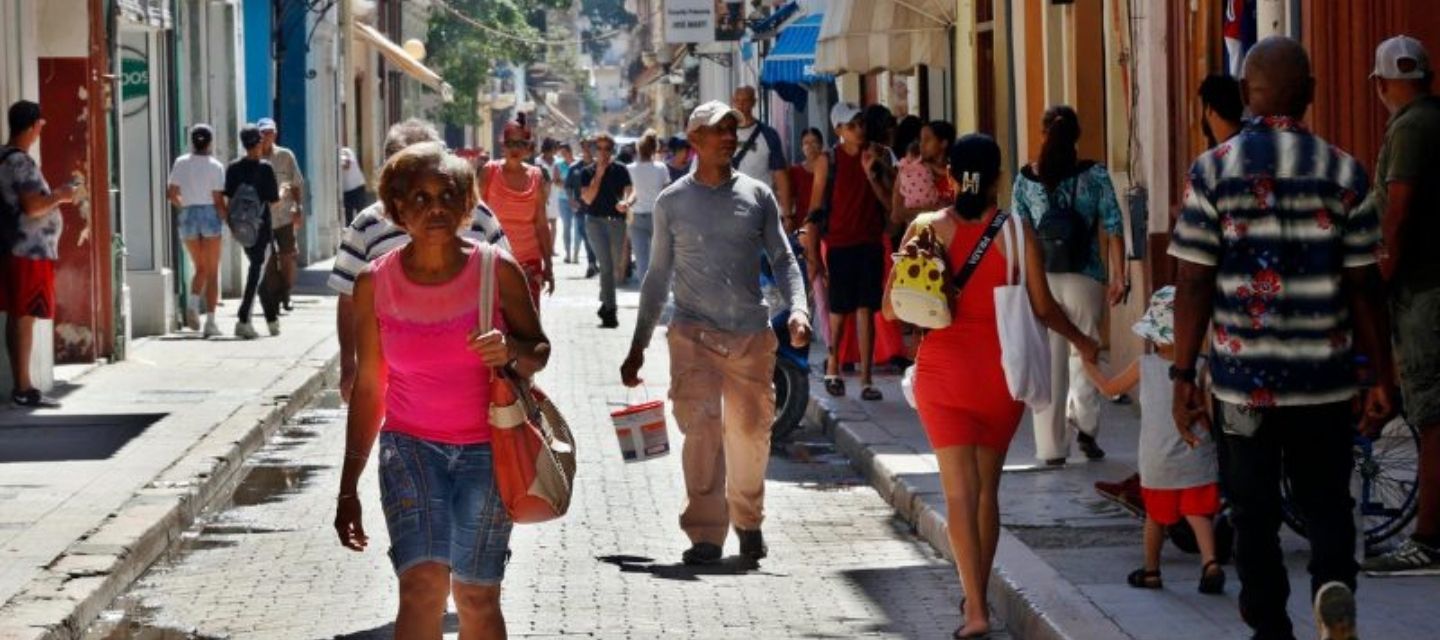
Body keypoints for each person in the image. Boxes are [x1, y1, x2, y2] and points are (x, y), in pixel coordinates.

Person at [1169, 37, 1394, 640]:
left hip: (1245, 388)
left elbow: (1192, 280)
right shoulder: (1344, 170)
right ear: (1312, 96)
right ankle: (1331, 588)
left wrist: (1181, 375)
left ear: (1245, 95)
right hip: (1325, 379)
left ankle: (1271, 626)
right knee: (1327, 504)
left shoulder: (1213, 169)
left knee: (1253, 512)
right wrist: (1381, 378)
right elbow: (1365, 285)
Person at [884, 134, 1098, 639]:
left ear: (950, 177)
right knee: (987, 495)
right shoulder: (1019, 233)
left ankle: (975, 609)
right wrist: (1082, 341)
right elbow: (1045, 310)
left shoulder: (925, 228)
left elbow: (892, 307)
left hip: (943, 374)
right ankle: (977, 593)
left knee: (958, 496)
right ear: (1000, 179)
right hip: (1002, 375)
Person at [335, 141, 550, 640]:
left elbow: (538, 350)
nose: (434, 208)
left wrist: (510, 352)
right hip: (410, 450)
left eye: (447, 196)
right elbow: (370, 388)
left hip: (488, 452)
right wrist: (349, 488)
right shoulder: (375, 283)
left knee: (476, 595)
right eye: (419, 197)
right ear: (396, 209)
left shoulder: (498, 270)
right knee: (422, 585)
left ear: (466, 204)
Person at [620, 101, 810, 566]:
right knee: (701, 430)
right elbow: (657, 274)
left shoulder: (758, 195)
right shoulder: (672, 202)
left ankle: (748, 520)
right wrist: (639, 345)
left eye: (732, 129)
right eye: (718, 130)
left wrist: (799, 311)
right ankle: (705, 532)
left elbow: (784, 259)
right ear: (695, 139)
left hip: (749, 335)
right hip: (692, 334)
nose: (728, 136)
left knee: (749, 433)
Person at [1095, 73, 1243, 511]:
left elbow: (1195, 270)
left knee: (1218, 405)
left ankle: (1206, 488)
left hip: (1225, 311)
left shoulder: (1211, 167)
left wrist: (1180, 371)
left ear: (1211, 112)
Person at [329, 118, 509, 403]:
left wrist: (511, 351)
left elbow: (509, 288)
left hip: (472, 380)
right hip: (396, 377)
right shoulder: (367, 224)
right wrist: (349, 365)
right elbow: (349, 298)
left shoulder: (477, 215)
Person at [1081, 287, 1226, 595]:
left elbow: (1108, 389)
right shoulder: (1203, 366)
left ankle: (1151, 571)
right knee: (1198, 514)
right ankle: (1210, 563)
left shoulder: (1143, 366)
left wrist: (1088, 364)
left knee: (1156, 518)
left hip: (1157, 460)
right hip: (1196, 454)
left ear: (1154, 335)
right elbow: (1213, 414)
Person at [1360, 35, 1440, 577]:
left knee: (1432, 414)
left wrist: (1378, 279)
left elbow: (1397, 209)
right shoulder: (1430, 118)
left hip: (1423, 291)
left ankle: (1429, 540)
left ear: (1386, 83)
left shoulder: (1410, 126)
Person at [1012, 105, 1127, 465]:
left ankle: (1050, 447)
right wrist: (1119, 273)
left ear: (1043, 134)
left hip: (1041, 278)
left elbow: (1019, 232)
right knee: (1085, 352)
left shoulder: (1025, 180)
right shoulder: (1095, 175)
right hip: (1085, 275)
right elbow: (1113, 223)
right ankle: (1088, 428)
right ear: (1077, 136)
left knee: (1049, 361)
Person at [803, 102, 889, 402]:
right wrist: (813, 254)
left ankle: (866, 378)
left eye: (861, 123)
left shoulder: (878, 157)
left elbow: (890, 205)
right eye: (852, 125)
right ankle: (833, 367)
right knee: (839, 313)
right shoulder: (829, 161)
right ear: (839, 130)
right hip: (839, 244)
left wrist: (872, 175)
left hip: (870, 242)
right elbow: (815, 208)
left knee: (867, 309)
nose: (859, 130)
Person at [0, 100, 76, 407]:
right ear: (35, 126)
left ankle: (21, 384)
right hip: (27, 251)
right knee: (26, 316)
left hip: (12, 247)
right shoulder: (20, 162)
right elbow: (33, 205)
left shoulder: (4, 158)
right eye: (40, 126)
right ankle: (24, 387)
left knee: (17, 315)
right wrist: (62, 195)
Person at [480, 118, 554, 307]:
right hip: (494, 260)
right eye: (510, 143)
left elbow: (541, 224)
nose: (515, 148)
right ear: (503, 146)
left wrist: (549, 266)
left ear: (528, 148)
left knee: (529, 325)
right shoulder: (489, 172)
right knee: (497, 323)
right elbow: (474, 215)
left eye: (521, 143)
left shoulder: (536, 177)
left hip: (529, 261)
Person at [167, 124, 227, 338]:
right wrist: (226, 218)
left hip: (188, 214)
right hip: (210, 214)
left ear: (192, 141)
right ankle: (210, 321)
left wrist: (184, 207)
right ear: (210, 142)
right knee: (211, 271)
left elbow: (172, 193)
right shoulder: (216, 166)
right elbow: (218, 200)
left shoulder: (181, 163)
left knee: (199, 266)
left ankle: (193, 304)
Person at [223, 124, 281, 339]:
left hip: (240, 230)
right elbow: (274, 202)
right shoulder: (265, 168)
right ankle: (243, 319)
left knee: (258, 271)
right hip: (262, 229)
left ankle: (272, 320)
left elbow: (227, 199)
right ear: (256, 144)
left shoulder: (233, 168)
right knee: (257, 271)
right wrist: (282, 192)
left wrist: (232, 225)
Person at [579, 132, 632, 328]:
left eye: (607, 149)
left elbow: (630, 190)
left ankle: (604, 300)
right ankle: (611, 311)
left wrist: (627, 201)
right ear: (594, 150)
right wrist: (598, 176)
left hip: (617, 222)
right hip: (595, 223)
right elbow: (588, 199)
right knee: (607, 266)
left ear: (612, 150)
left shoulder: (620, 169)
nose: (603, 153)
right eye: (599, 148)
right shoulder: (587, 172)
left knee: (616, 266)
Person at [257, 118, 305, 313]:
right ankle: (274, 295)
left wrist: (298, 207)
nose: (266, 136)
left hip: (284, 215)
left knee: (288, 256)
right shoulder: (254, 158)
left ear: (275, 134)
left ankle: (286, 293)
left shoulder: (286, 156)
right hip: (262, 217)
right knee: (268, 260)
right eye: (262, 133)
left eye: (269, 132)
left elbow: (296, 184)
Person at [730, 86, 792, 218]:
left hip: (760, 208)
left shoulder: (769, 134)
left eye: (745, 100)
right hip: (730, 209)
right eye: (737, 100)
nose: (741, 105)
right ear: (732, 102)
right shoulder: (723, 134)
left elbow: (780, 174)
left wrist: (787, 213)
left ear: (754, 102)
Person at [620, 132, 670, 282]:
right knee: (659, 258)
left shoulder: (629, 169)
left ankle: (645, 293)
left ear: (638, 149)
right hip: (658, 217)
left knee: (642, 259)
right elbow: (666, 192)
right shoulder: (661, 168)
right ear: (654, 150)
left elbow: (627, 192)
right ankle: (659, 291)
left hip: (636, 217)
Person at [891, 120, 957, 232]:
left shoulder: (957, 174)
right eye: (921, 140)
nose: (921, 145)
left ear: (943, 143)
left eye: (927, 139)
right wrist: (936, 209)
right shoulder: (909, 172)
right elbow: (896, 215)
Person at [566, 138, 599, 278]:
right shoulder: (574, 167)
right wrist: (571, 199)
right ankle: (592, 263)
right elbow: (568, 186)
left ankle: (595, 262)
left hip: (598, 208)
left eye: (589, 147)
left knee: (596, 237)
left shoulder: (600, 167)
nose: (586, 150)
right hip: (580, 207)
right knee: (585, 235)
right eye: (584, 147)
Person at [536, 136, 562, 256]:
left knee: (554, 223)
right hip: (542, 194)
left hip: (554, 194)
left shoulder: (557, 161)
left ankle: (551, 248)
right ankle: (543, 247)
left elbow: (559, 180)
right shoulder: (538, 161)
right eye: (553, 148)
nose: (554, 150)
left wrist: (558, 180)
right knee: (542, 223)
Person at [555, 143, 578, 264]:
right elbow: (556, 181)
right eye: (561, 153)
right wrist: (568, 184)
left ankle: (576, 253)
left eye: (564, 152)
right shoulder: (559, 165)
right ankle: (568, 253)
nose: (563, 155)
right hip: (563, 199)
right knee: (567, 227)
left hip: (578, 200)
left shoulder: (578, 164)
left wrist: (567, 183)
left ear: (570, 151)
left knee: (579, 227)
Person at [341, 146, 369, 227]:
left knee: (361, 214)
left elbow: (347, 164)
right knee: (348, 216)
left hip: (357, 187)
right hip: (346, 190)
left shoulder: (345, 151)